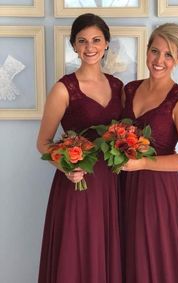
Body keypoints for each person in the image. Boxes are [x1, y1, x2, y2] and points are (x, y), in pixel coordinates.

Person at [37, 13, 123, 283]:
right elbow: (43, 142)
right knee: (76, 255)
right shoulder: (63, 89)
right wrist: (66, 167)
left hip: (112, 185)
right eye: (82, 41)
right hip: (77, 183)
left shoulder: (118, 86)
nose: (90, 47)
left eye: (96, 40)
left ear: (106, 43)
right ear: (73, 45)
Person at [121, 23, 178, 283]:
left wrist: (144, 163)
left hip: (157, 192)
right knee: (127, 256)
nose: (159, 60)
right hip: (123, 185)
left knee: (155, 258)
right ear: (146, 51)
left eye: (168, 55)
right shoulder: (130, 89)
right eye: (155, 51)